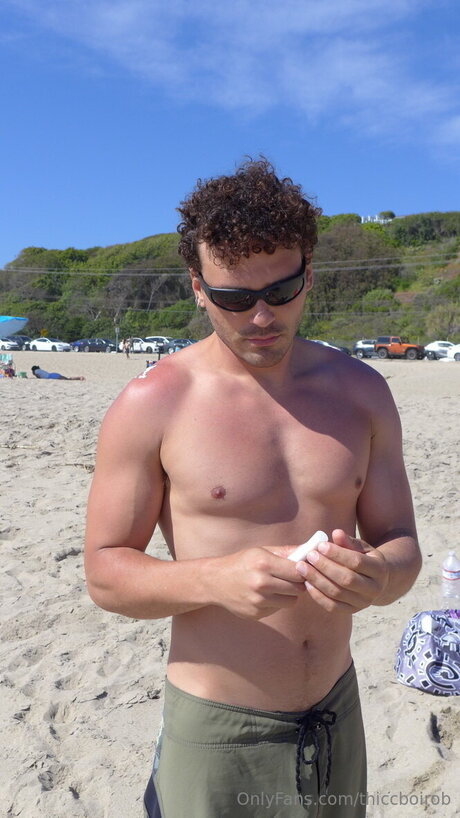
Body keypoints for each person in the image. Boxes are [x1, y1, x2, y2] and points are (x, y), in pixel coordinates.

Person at [84, 159, 421, 817]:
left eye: (282, 290)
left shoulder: (363, 393)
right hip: (219, 728)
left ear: (309, 275)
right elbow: (105, 574)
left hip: (337, 712)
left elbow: (402, 543)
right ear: (198, 289)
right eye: (234, 298)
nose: (262, 316)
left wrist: (378, 577)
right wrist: (215, 580)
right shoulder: (153, 403)